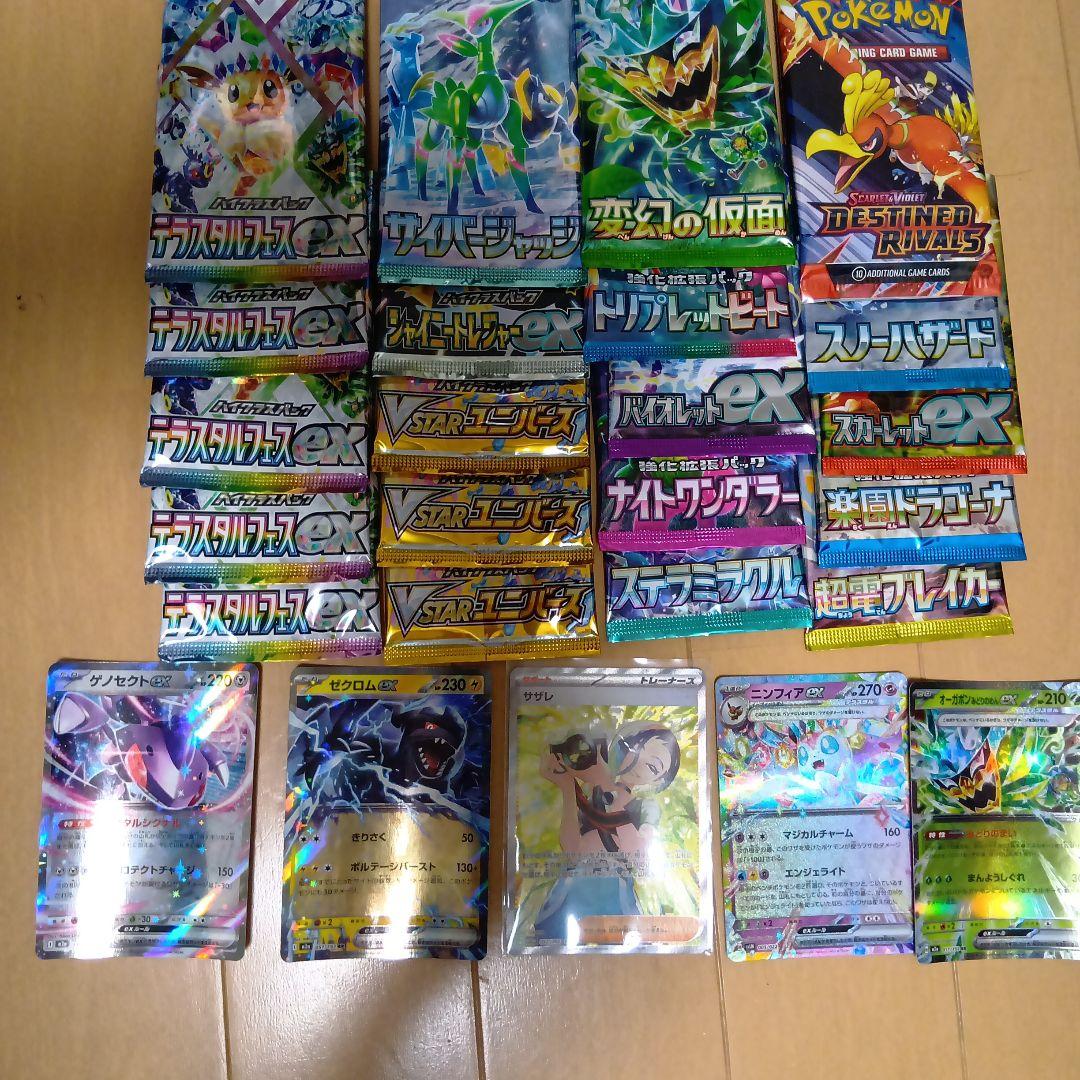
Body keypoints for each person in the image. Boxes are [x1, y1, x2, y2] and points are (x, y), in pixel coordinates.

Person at [532, 723, 680, 942]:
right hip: (574, 886)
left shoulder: (645, 807)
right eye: (634, 749)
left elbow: (637, 856)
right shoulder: (593, 795)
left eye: (652, 766)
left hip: (614, 892)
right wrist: (567, 785)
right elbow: (572, 849)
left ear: (658, 781)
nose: (638, 763)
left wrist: (608, 788)